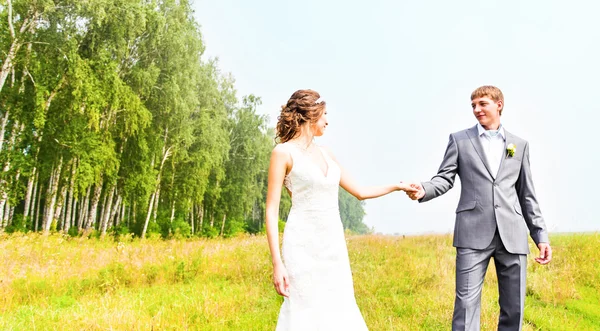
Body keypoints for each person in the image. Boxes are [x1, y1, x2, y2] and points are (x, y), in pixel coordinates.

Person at [265, 89, 416, 330]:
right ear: (310, 115)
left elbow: (360, 191)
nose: (327, 121)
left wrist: (396, 186)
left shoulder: (327, 153)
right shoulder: (283, 153)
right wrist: (277, 263)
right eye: (325, 115)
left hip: (333, 242)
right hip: (302, 244)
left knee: (339, 304)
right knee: (305, 309)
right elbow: (271, 211)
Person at [406, 85, 552, 331]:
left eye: (482, 103)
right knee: (465, 306)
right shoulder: (459, 140)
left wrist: (540, 236)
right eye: (473, 105)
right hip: (472, 233)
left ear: (499, 105)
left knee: (514, 307)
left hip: (513, 235)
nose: (476, 109)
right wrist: (424, 189)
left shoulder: (519, 145)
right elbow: (444, 178)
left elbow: (527, 195)